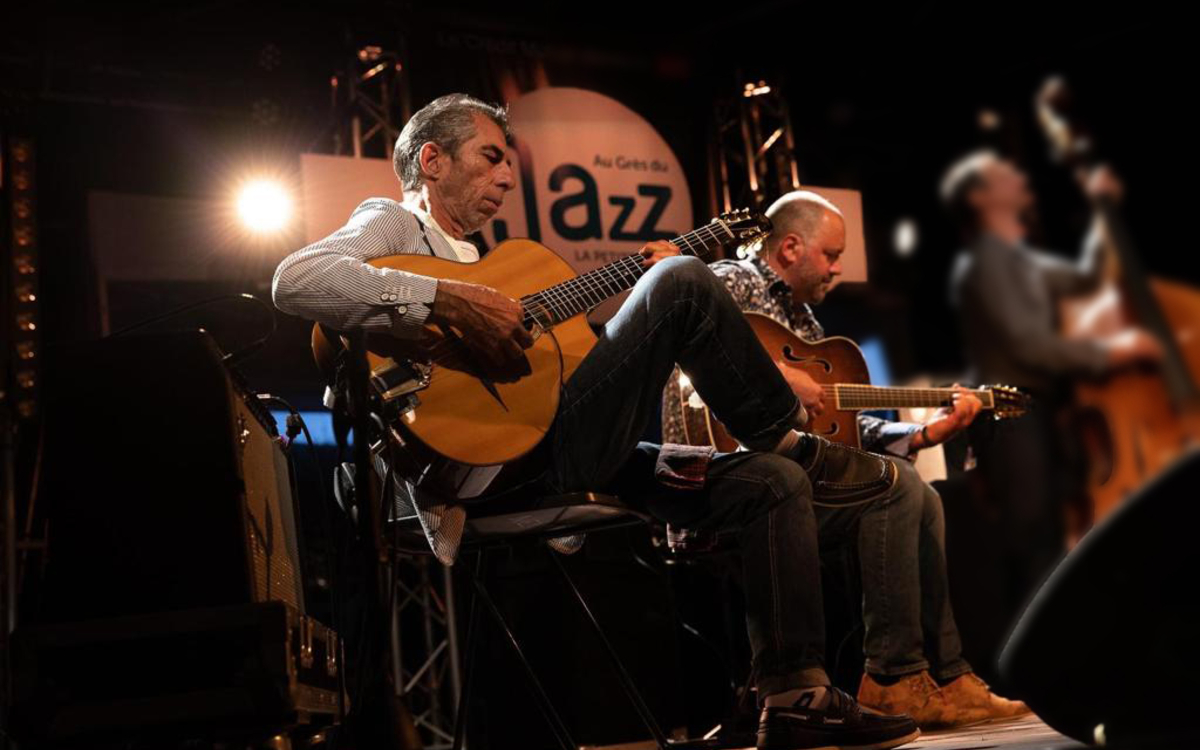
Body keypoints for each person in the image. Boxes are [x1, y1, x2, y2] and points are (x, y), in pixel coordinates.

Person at [272, 93, 918, 750]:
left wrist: (633, 323)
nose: (505, 177)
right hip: (495, 471)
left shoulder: (496, 263)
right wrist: (449, 300)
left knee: (771, 482)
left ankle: (794, 696)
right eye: (491, 157)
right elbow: (297, 279)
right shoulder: (393, 224)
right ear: (432, 161)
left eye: (510, 165)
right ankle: (788, 430)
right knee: (684, 282)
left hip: (559, 446)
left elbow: (570, 377)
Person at [662, 190, 1028, 729]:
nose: (837, 269)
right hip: (723, 475)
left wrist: (927, 431)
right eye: (831, 255)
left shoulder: (802, 319)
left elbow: (843, 426)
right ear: (789, 246)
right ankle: (892, 674)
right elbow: (687, 336)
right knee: (897, 485)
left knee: (919, 491)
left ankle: (946, 676)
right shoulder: (729, 280)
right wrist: (781, 378)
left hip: (797, 475)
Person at [944, 151, 1162, 617]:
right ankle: (1029, 666)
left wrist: (1104, 214)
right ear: (981, 198)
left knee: (1051, 538)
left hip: (1042, 413)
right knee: (1031, 541)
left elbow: (1088, 280)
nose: (1018, 174)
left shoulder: (1020, 260)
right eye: (1004, 173)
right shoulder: (987, 263)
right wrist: (1114, 352)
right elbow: (1030, 346)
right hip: (1012, 417)